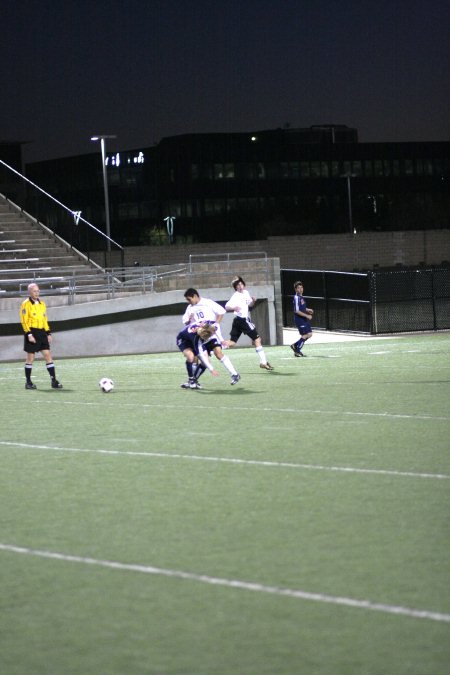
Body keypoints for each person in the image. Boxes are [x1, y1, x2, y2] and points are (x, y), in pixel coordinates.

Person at [182, 289, 241, 385]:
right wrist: (189, 319)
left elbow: (221, 311)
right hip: (199, 338)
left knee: (218, 353)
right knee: (200, 360)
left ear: (194, 296)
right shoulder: (190, 308)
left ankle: (234, 374)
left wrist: (216, 324)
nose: (188, 302)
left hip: (211, 335)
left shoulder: (207, 302)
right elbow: (185, 321)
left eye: (189, 299)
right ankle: (192, 381)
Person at [224, 276, 274, 370]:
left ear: (243, 284)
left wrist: (253, 301)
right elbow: (226, 307)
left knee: (232, 342)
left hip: (238, 320)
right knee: (257, 339)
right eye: (238, 285)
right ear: (235, 287)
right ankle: (263, 362)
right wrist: (234, 308)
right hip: (242, 320)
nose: (240, 286)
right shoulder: (236, 295)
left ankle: (215, 346)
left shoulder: (246, 293)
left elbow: (250, 304)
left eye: (241, 284)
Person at [20, 283, 63, 389]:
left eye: (38, 291)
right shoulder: (25, 304)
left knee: (48, 355)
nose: (37, 293)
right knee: (30, 358)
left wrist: (48, 333)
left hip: (42, 332)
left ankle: (54, 381)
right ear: (29, 292)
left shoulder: (42, 303)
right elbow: (24, 321)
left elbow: (44, 320)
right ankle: (28, 382)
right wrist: (29, 334)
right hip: (32, 332)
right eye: (34, 291)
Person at [291, 280, 313, 357]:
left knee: (309, 334)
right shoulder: (296, 297)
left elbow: (301, 308)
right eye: (298, 288)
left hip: (303, 319)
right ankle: (297, 351)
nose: (300, 289)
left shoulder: (301, 297)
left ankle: (295, 345)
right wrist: (307, 316)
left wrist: (307, 309)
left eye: (301, 287)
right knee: (305, 334)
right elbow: (296, 310)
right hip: (299, 319)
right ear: (296, 289)